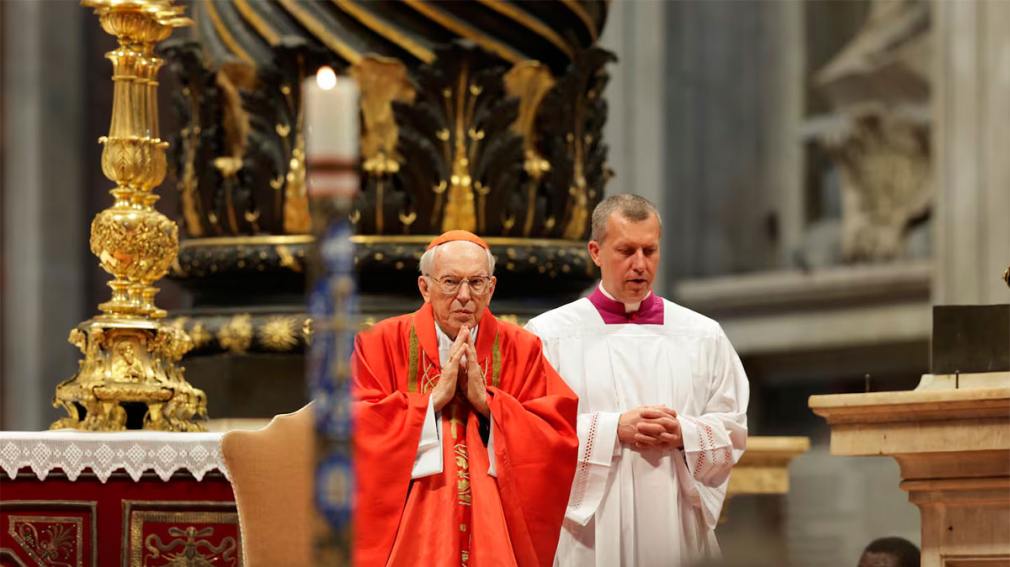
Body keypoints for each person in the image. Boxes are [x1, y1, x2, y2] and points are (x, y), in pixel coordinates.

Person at [525, 194, 750, 566]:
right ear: (596, 251)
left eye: (650, 250)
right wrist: (613, 430)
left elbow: (733, 429)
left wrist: (684, 434)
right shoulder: (550, 335)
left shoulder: (702, 334)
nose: (640, 265)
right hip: (592, 531)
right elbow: (532, 432)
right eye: (626, 250)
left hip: (676, 520)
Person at [352, 230, 580, 566]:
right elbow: (351, 425)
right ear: (424, 288)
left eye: (476, 283)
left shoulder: (522, 348)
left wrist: (489, 404)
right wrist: (429, 403)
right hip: (414, 525)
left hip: (495, 524)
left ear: (491, 288)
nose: (464, 296)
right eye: (450, 282)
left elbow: (555, 434)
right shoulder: (379, 342)